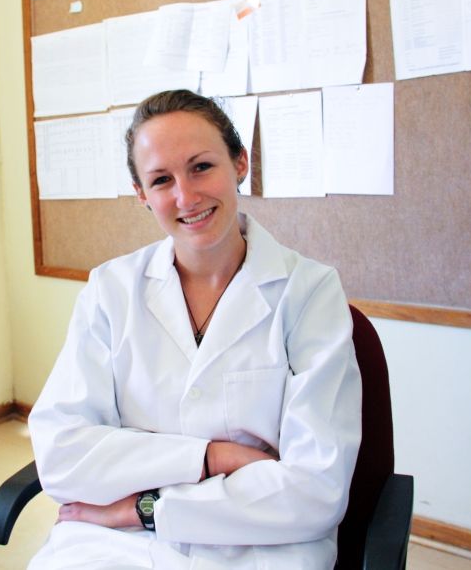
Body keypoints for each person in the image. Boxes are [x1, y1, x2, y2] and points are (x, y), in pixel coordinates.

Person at [27, 90, 362, 570]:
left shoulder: (309, 292)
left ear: (240, 163)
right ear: (142, 194)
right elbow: (61, 455)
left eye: (201, 166)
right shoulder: (110, 290)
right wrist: (215, 457)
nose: (186, 196)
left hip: (258, 545)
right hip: (111, 545)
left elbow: (314, 492)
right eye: (162, 179)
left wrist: (145, 508)